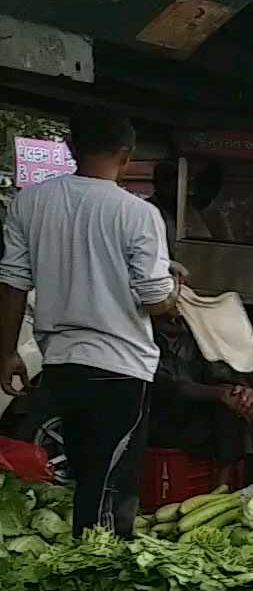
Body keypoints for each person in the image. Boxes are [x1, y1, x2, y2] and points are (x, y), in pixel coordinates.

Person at [0, 107, 177, 537]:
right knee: (111, 484)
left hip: (60, 362)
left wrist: (6, 353)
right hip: (121, 365)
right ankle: (99, 568)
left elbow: (12, 283)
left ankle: (84, 563)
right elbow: (155, 300)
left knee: (83, 473)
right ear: (127, 155)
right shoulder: (137, 214)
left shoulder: (31, 201)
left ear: (70, 147)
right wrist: (175, 296)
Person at [150, 309, 253, 484]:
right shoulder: (142, 336)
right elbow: (169, 385)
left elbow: (218, 373)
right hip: (161, 417)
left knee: (252, 410)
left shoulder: (192, 333)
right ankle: (224, 486)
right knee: (227, 411)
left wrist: (241, 392)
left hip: (198, 411)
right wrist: (220, 394)